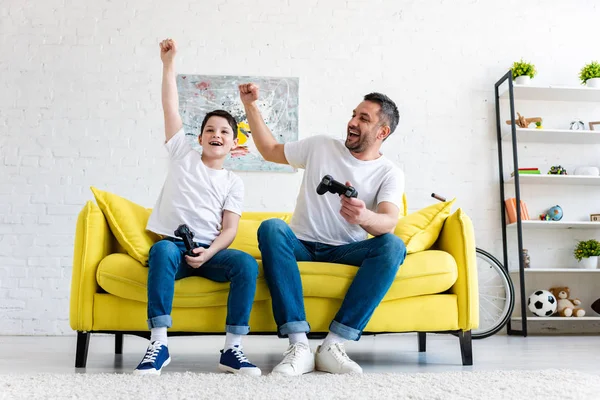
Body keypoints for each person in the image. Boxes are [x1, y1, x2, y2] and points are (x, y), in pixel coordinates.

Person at [239, 83, 407, 375]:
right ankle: (299, 345)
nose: (352, 122)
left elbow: (388, 221)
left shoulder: (389, 173)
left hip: (345, 250)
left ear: (382, 133)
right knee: (272, 228)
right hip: (301, 244)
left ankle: (334, 344)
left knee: (393, 246)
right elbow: (268, 150)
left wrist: (364, 217)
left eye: (364, 119)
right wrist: (251, 105)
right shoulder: (320, 146)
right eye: (354, 115)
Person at [133, 39, 260, 376]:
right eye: (209, 130)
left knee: (246, 264)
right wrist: (168, 64)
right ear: (200, 137)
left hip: (212, 252)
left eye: (223, 132)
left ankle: (233, 349)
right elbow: (169, 107)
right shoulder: (182, 156)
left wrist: (208, 252)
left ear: (234, 143)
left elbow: (230, 229)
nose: (216, 134)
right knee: (161, 250)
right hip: (176, 249)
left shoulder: (233, 182)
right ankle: (158, 344)